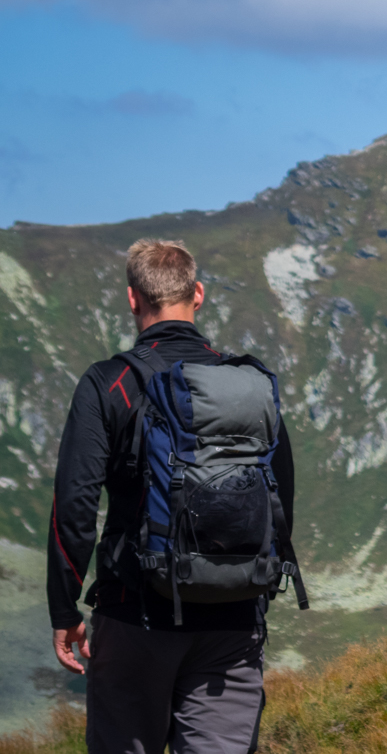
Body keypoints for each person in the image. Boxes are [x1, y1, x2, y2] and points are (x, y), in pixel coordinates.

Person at [47, 238, 297, 754]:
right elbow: (281, 496)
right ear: (198, 294)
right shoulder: (246, 384)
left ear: (133, 299)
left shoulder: (109, 382)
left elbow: (75, 503)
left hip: (135, 613)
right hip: (233, 621)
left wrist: (63, 608)